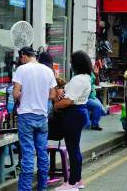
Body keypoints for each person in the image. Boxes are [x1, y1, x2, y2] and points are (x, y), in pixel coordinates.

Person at [13, 47, 57, 191]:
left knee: (27, 155)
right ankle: (42, 188)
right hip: (42, 117)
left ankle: (25, 189)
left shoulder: (22, 69)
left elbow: (15, 93)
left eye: (21, 58)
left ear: (23, 56)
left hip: (26, 115)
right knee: (42, 154)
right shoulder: (48, 71)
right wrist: (40, 95)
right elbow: (53, 95)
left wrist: (26, 95)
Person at [54, 51, 92, 191]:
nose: (70, 63)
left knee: (73, 148)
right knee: (74, 148)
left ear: (77, 63)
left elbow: (68, 101)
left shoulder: (79, 79)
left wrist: (55, 105)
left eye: (71, 61)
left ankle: (72, 183)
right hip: (79, 113)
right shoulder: (85, 78)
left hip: (74, 114)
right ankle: (78, 180)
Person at [85, 65, 106, 131]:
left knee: (103, 111)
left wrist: (97, 75)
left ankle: (92, 120)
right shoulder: (81, 74)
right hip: (86, 98)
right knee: (98, 106)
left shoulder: (91, 73)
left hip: (93, 97)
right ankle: (94, 124)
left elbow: (97, 83)